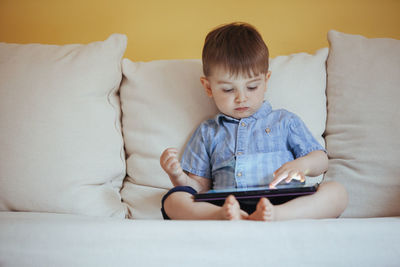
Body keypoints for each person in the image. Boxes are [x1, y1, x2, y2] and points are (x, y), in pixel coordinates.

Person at [160, 22, 348, 221]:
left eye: (251, 87)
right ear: (208, 87)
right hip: (227, 203)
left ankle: (275, 215)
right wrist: (177, 176)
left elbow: (321, 160)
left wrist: (302, 165)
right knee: (173, 200)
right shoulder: (208, 131)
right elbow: (199, 188)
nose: (242, 98)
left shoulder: (284, 121)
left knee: (337, 192)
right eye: (228, 89)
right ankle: (221, 216)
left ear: (266, 81)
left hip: (285, 200)